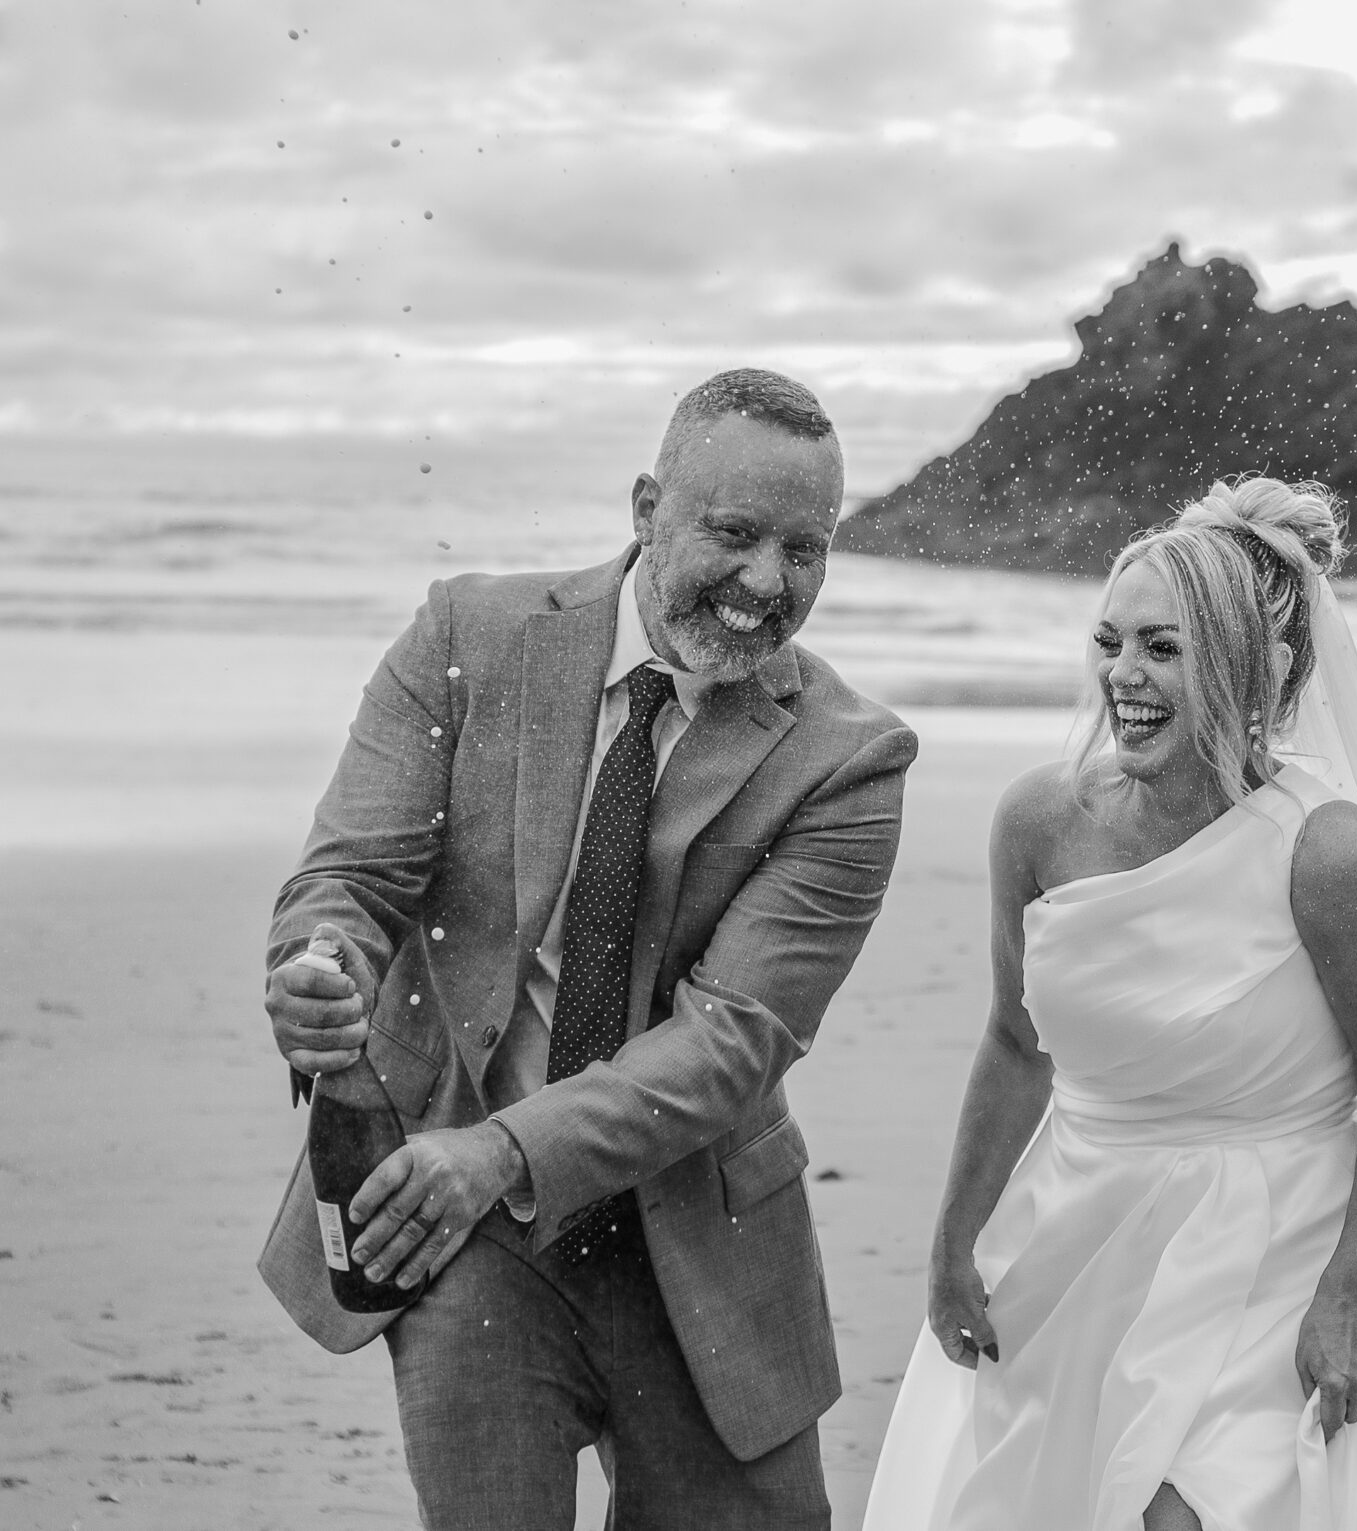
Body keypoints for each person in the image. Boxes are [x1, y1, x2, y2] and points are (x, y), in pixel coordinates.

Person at [257, 368, 918, 1530]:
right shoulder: (469, 633)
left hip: (701, 1238)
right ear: (644, 507)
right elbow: (352, 876)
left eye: (805, 549)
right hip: (466, 1233)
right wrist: (322, 964)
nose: (767, 583)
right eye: (733, 533)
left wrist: (505, 1150)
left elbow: (732, 1044)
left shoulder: (849, 758)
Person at [863, 478, 1357, 1530]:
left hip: (1273, 1245)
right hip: (1076, 1239)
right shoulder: (1036, 821)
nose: (1124, 676)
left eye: (1163, 647)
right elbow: (1015, 1045)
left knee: (1179, 1513)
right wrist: (950, 1247)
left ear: (1253, 669)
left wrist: (1348, 1292)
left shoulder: (1323, 850)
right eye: (1109, 642)